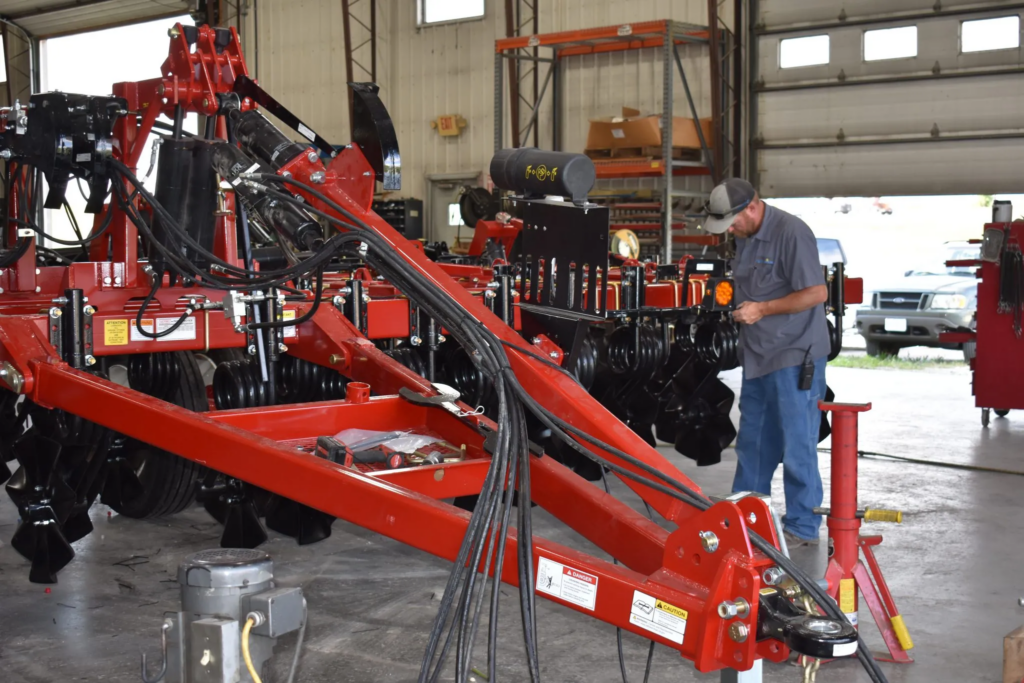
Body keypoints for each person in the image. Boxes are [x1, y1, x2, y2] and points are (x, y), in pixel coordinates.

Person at [703, 178, 829, 547]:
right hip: (757, 356)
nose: (731, 231)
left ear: (752, 207)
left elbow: (816, 292)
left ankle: (802, 525)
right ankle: (743, 519)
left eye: (733, 223)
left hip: (794, 354)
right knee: (754, 441)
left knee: (797, 440)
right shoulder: (744, 236)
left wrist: (763, 309)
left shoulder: (792, 232)